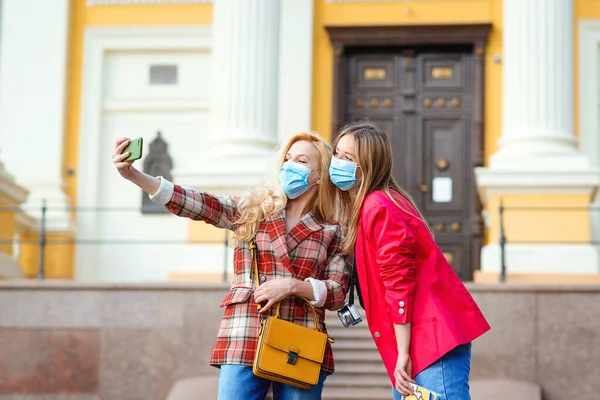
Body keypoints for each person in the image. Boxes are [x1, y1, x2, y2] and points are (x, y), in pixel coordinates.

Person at [112, 132, 349, 400]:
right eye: (287, 159)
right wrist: (135, 176)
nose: (289, 166)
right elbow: (200, 204)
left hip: (300, 338)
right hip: (245, 328)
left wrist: (292, 286)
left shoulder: (332, 230)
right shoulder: (253, 208)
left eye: (301, 160)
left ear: (319, 175)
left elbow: (338, 291)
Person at [329, 122, 490, 400]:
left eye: (348, 158)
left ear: (368, 166)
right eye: (336, 153)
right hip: (423, 339)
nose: (337, 162)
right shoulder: (377, 204)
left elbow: (398, 281)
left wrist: (403, 352)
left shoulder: (377, 206)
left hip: (427, 341)